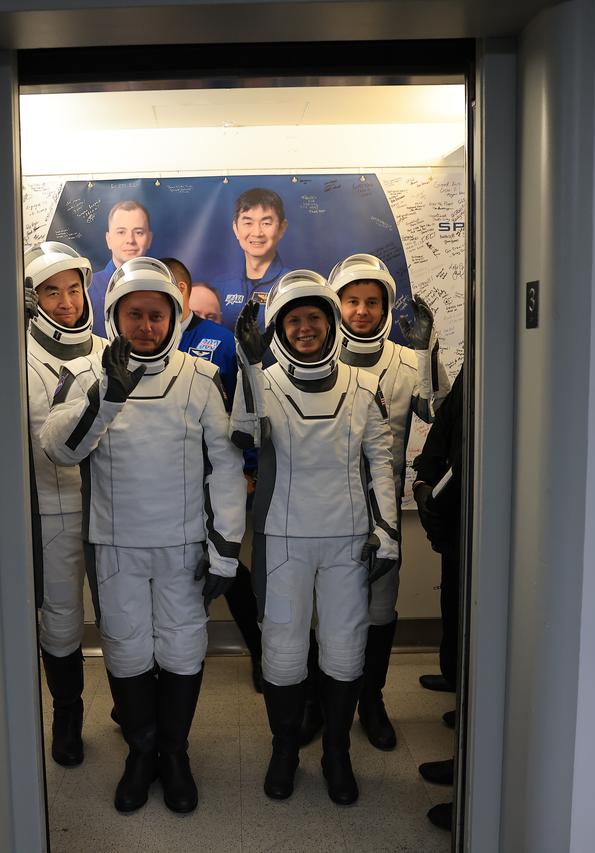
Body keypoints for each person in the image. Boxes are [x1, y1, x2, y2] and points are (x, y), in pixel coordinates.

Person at [40, 257, 245, 815]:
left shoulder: (200, 379)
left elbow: (224, 467)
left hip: (183, 547)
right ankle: (141, 752)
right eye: (135, 315)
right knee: (128, 650)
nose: (147, 326)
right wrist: (109, 392)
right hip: (115, 545)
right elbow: (58, 447)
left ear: (175, 317)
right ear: (115, 316)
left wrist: (225, 550)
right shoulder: (87, 376)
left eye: (157, 315)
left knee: (182, 648)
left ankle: (174, 755)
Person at [231, 272, 398, 806]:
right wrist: (250, 367)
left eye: (314, 317)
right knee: (282, 649)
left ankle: (336, 754)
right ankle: (284, 750)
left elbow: (381, 464)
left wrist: (387, 531)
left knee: (346, 650)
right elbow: (245, 435)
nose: (305, 328)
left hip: (347, 539)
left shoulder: (361, 387)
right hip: (282, 537)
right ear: (279, 327)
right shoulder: (264, 381)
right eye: (293, 319)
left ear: (330, 323)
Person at [327, 253, 450, 751]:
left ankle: (371, 700)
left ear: (384, 307)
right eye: (351, 301)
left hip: (383, 513)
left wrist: (427, 355)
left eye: (371, 302)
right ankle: (322, 700)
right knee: (325, 612)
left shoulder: (403, 360)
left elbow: (440, 411)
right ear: (335, 305)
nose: (361, 311)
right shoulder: (314, 356)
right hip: (326, 512)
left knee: (380, 609)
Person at [22, 241, 106, 769]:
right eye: (52, 292)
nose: (66, 302)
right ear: (33, 298)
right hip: (49, 506)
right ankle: (68, 716)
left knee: (122, 615)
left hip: (110, 507)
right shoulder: (13, 358)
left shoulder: (108, 351)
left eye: (73, 289)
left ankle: (129, 705)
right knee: (61, 619)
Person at [163, 257, 264, 692]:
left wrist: (250, 472)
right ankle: (153, 672)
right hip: (163, 484)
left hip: (217, 478)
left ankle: (261, 651)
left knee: (228, 565)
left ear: (182, 289)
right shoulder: (142, 340)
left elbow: (248, 410)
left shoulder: (220, 341)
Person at [411, 365, 465, 833]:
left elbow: (431, 408)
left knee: (477, 641)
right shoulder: (482, 366)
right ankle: (465, 717)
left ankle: (472, 775)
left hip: (473, 511)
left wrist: (426, 359)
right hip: (453, 512)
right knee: (457, 615)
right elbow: (445, 423)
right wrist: (424, 480)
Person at [212, 187, 292, 331]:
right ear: (236, 229)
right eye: (248, 223)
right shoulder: (219, 287)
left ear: (282, 228)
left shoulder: (292, 286)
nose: (257, 233)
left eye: (266, 223)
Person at [89, 200, 153, 335]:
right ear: (108, 239)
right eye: (121, 232)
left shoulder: (163, 289)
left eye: (139, 232)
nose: (130, 240)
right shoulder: (87, 289)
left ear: (149, 239)